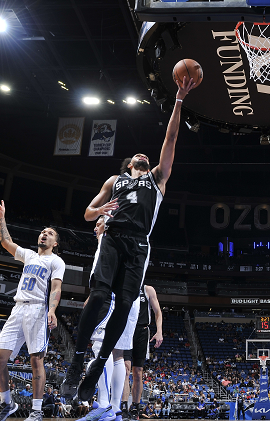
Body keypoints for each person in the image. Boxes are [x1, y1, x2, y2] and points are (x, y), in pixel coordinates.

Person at [62, 77, 194, 402]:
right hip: (112, 238)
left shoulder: (158, 180)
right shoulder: (114, 180)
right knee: (99, 296)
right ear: (128, 165)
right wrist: (100, 211)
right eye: (136, 155)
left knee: (124, 304)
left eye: (145, 155)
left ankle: (98, 365)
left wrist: (178, 99)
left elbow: (172, 137)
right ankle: (78, 360)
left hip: (139, 245)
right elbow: (87, 214)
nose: (142, 154)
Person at [0, 200, 65, 421]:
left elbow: (56, 287)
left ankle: (36, 412)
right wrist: (1, 218)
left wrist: (52, 310)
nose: (44, 234)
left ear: (55, 242)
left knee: (36, 360)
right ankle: (6, 403)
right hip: (18, 307)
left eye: (49, 233)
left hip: (37, 310)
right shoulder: (29, 255)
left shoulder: (56, 261)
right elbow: (5, 241)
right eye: (43, 231)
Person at [72, 217, 141, 421]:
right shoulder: (129, 238)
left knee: (100, 348)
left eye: (100, 222)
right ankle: (116, 410)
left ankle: (103, 407)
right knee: (118, 354)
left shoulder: (109, 239)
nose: (95, 226)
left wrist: (97, 297)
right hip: (130, 296)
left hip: (112, 297)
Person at [128, 282, 163, 421]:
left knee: (138, 372)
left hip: (142, 332)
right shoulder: (125, 286)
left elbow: (158, 312)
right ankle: (123, 407)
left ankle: (135, 407)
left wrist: (159, 330)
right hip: (126, 330)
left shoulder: (148, 289)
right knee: (124, 368)